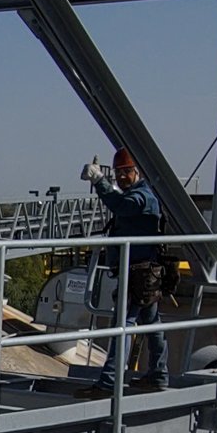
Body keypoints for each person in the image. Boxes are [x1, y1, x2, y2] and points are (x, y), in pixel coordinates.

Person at [80, 147, 169, 388]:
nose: (121, 177)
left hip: (138, 273)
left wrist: (100, 182)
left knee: (123, 324)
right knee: (151, 324)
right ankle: (159, 374)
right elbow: (122, 203)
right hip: (141, 272)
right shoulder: (140, 194)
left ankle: (110, 381)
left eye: (126, 172)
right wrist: (105, 183)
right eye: (118, 172)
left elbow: (123, 206)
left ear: (137, 171)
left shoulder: (144, 197)